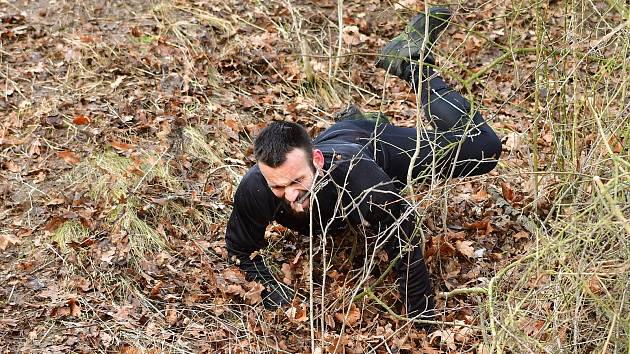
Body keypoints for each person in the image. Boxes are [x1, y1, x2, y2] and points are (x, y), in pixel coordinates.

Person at [225, 7, 502, 329]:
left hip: (371, 146)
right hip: (336, 141)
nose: (290, 195)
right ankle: (355, 118)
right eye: (278, 186)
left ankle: (412, 65)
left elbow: (405, 239)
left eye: (297, 181)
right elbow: (241, 250)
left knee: (483, 147)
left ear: (316, 161)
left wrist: (422, 319)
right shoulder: (256, 187)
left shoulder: (365, 182)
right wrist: (276, 296)